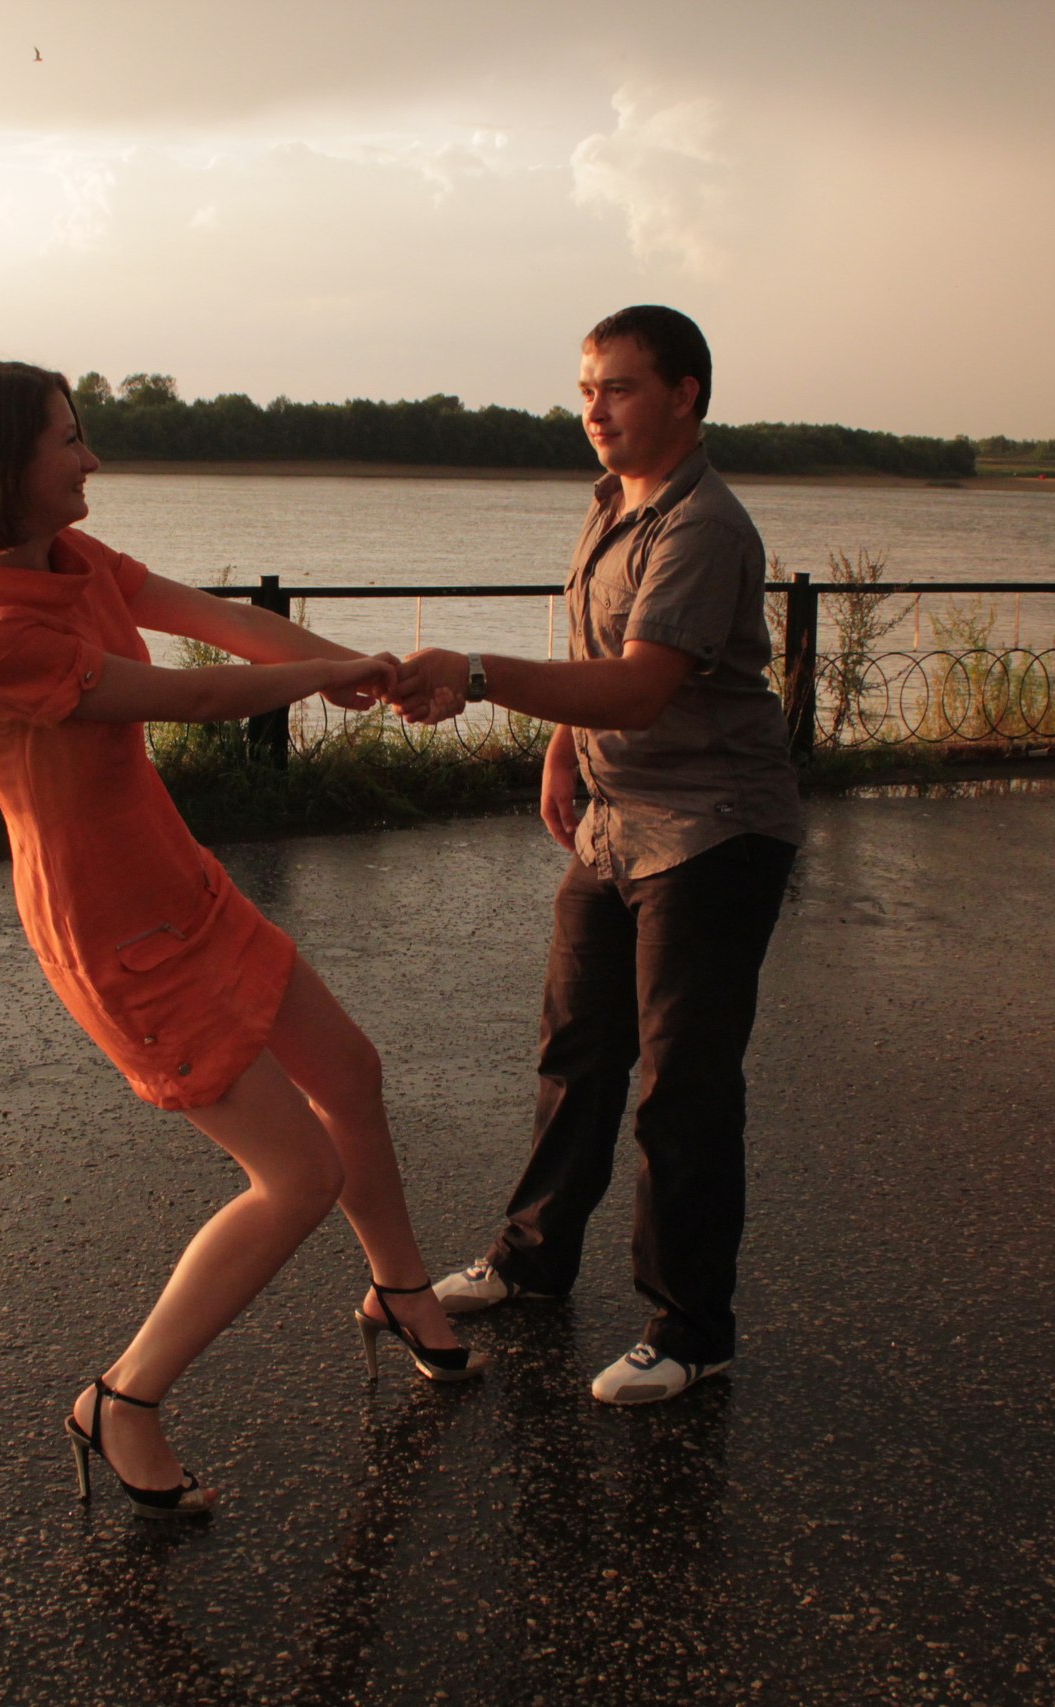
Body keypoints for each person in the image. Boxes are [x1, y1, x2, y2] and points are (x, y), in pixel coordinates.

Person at [0, 361, 484, 1520]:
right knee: (295, 1175)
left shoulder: (71, 561)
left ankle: (400, 1288)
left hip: (182, 888)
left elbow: (222, 624)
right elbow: (195, 697)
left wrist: (348, 667)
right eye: (68, 439)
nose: (91, 457)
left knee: (350, 1074)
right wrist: (320, 678)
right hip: (116, 938)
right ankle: (124, 1398)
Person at [392, 305, 802, 1406]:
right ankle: (532, 1260)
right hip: (617, 822)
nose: (594, 409)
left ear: (685, 394)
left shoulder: (703, 525)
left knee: (683, 1084)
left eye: (617, 387)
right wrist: (561, 749)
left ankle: (691, 1328)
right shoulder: (612, 503)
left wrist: (479, 675)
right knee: (575, 1052)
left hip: (713, 829)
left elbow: (640, 684)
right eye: (585, 389)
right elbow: (595, 655)